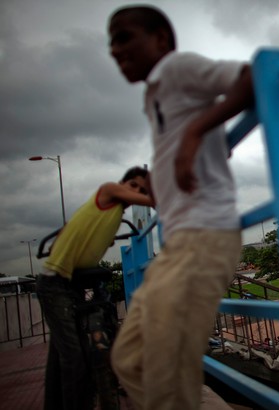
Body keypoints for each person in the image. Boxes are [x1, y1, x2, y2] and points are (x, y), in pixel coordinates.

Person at [107, 5, 254, 409]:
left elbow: (250, 76)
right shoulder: (154, 93)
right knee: (131, 359)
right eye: (110, 42)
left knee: (164, 368)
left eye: (123, 37)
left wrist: (194, 130)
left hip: (204, 235)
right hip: (178, 243)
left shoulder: (177, 68)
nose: (114, 50)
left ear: (160, 40)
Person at [36, 166, 154, 410]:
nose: (136, 192)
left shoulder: (113, 214)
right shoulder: (109, 189)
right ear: (123, 183)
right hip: (55, 282)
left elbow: (75, 227)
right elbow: (152, 200)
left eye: (141, 189)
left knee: (60, 355)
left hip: (71, 283)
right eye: (133, 186)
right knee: (74, 359)